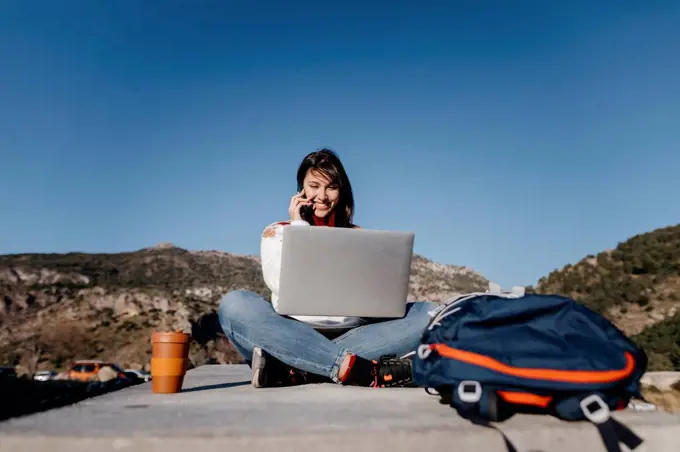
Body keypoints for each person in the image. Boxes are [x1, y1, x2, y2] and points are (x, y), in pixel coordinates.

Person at [217, 149, 437, 388]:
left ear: (341, 191)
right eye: (314, 186)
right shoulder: (278, 231)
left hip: (356, 335)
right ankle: (354, 369)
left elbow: (374, 302)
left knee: (429, 313)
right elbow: (282, 283)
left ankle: (296, 368)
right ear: (301, 189)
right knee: (234, 304)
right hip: (290, 331)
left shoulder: (360, 237)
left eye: (331, 187)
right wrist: (299, 226)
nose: (322, 196)